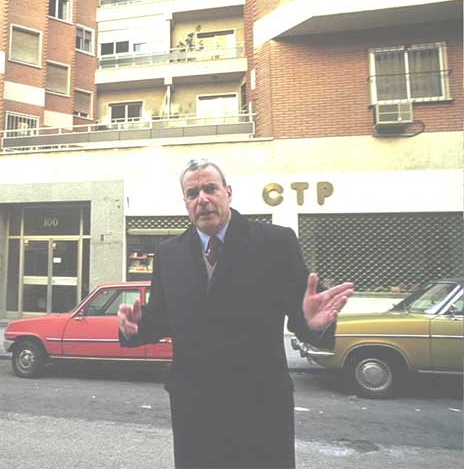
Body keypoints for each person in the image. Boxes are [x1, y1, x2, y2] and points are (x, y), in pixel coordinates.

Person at [118, 158, 354, 468]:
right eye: (192, 193)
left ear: (228, 193)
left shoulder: (275, 243)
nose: (202, 199)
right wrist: (134, 328)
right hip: (195, 408)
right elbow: (162, 319)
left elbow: (304, 316)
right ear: (186, 203)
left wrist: (312, 324)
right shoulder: (169, 253)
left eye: (210, 189)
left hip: (260, 405)